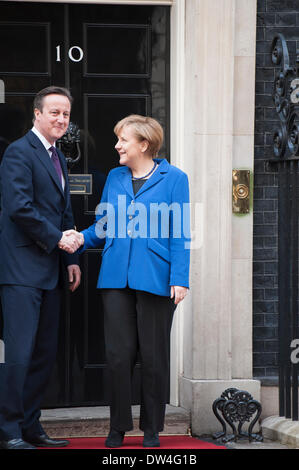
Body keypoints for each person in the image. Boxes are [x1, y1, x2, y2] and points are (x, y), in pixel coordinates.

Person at [78, 114, 190, 448]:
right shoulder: (114, 177)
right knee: (118, 355)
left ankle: (152, 428)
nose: (117, 146)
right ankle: (118, 426)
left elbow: (180, 232)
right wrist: (77, 239)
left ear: (144, 144)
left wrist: (180, 278)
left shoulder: (175, 178)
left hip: (156, 276)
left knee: (154, 357)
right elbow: (104, 225)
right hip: (115, 277)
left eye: (123, 140)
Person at [0, 86, 82, 449]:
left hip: (51, 270)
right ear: (37, 114)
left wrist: (72, 260)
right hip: (20, 270)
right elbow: (20, 208)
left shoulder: (59, 159)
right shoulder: (18, 152)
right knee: (19, 355)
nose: (61, 119)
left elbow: (64, 214)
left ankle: (32, 426)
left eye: (65, 114)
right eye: (54, 113)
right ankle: (9, 430)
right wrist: (58, 240)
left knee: (43, 354)